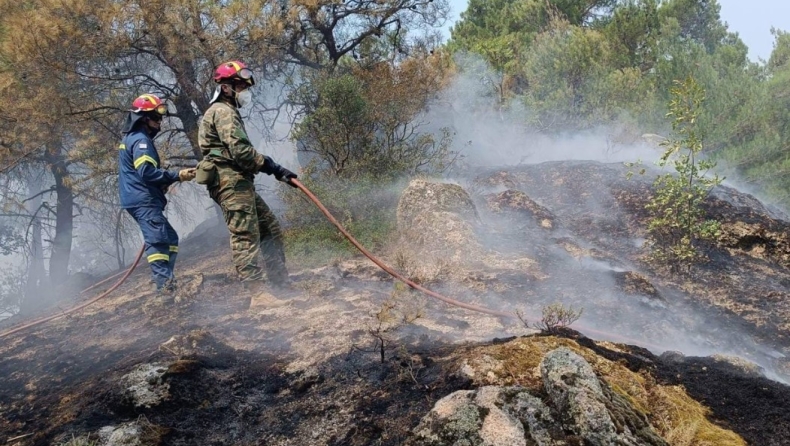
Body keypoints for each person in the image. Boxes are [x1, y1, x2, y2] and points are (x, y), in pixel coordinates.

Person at [197, 60, 297, 292]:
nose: (245, 92)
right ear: (226, 87)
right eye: (241, 87)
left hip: (239, 182)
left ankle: (280, 283)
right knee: (245, 234)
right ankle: (257, 293)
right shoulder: (222, 112)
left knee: (268, 228)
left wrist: (275, 168)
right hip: (230, 182)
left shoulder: (226, 111)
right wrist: (272, 166)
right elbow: (241, 152)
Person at [118, 94, 196, 301]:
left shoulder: (130, 139)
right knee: (159, 241)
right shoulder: (141, 141)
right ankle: (165, 290)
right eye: (156, 117)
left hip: (139, 199)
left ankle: (167, 281)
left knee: (170, 238)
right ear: (144, 118)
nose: (160, 122)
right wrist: (176, 175)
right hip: (143, 201)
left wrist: (165, 182)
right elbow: (146, 172)